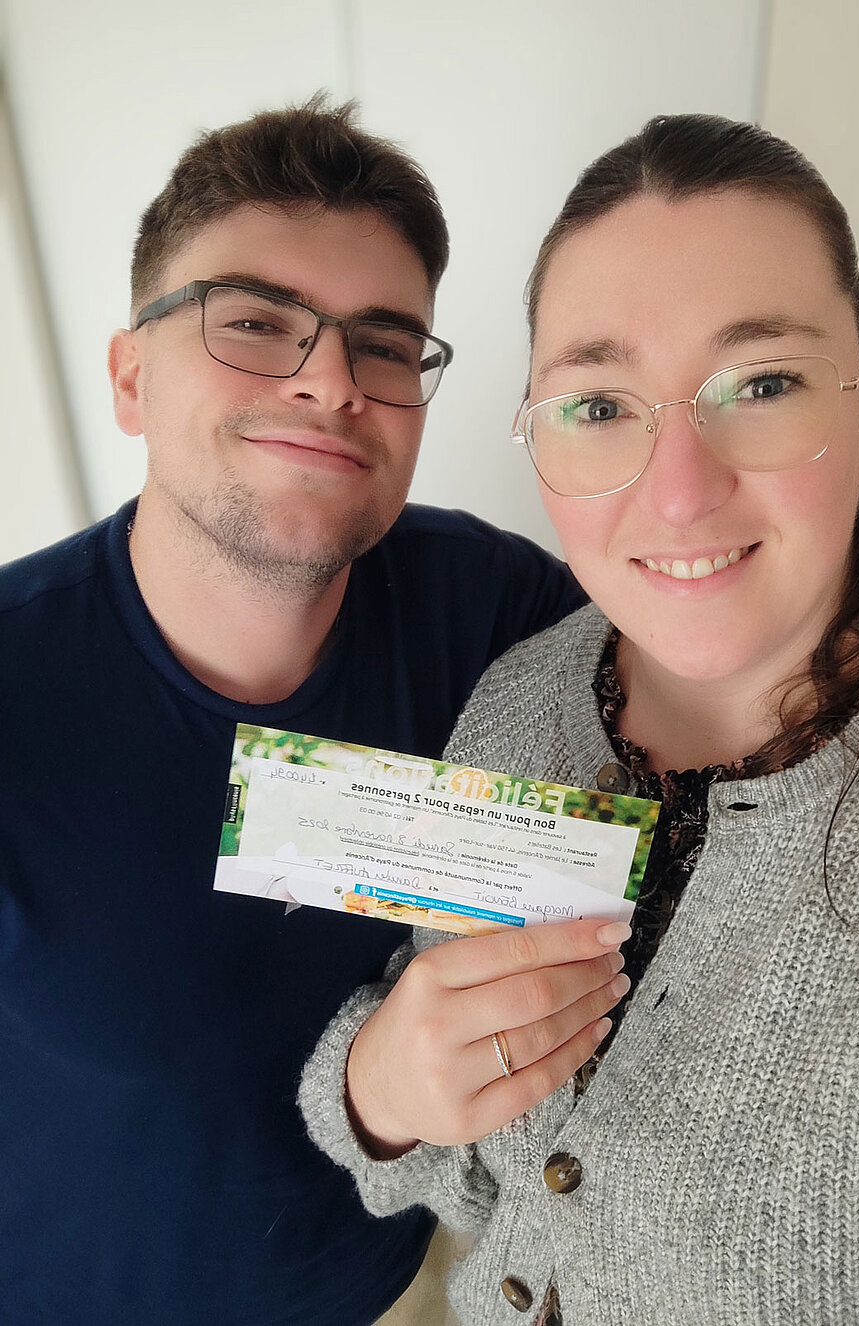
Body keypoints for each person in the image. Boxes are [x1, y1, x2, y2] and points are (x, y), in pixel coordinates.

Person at [298, 113, 859, 1325]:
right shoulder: (514, 705)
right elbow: (474, 1172)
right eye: (597, 404)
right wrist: (379, 1096)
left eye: (761, 384)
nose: (678, 493)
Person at [0, 97, 584, 1326]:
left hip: (401, 1285)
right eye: (256, 323)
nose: (330, 382)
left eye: (384, 344)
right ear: (131, 377)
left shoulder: (501, 610)